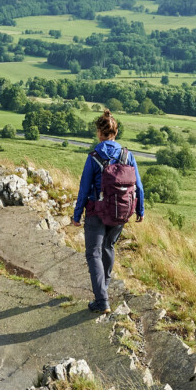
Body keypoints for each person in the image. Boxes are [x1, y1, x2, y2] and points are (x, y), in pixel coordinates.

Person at [71, 110, 144, 314]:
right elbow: (138, 185)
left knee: (93, 252)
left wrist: (77, 215)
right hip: (121, 210)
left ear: (99, 133)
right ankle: (104, 288)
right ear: (116, 132)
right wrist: (140, 209)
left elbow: (84, 188)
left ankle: (101, 300)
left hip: (96, 210)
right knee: (108, 247)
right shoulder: (128, 156)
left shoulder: (94, 157)